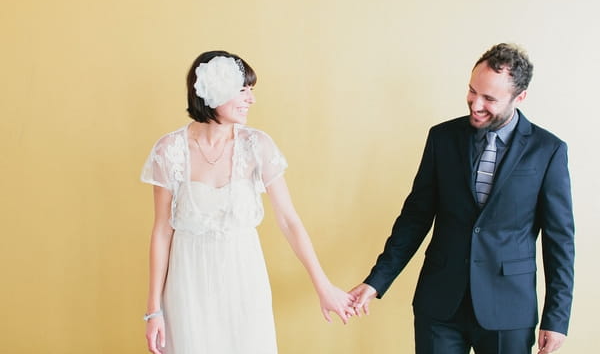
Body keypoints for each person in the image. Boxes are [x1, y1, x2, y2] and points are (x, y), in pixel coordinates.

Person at [350, 43, 574, 354]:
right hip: (440, 306)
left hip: (508, 310)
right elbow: (415, 217)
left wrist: (557, 318)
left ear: (519, 97)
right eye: (472, 91)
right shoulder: (442, 138)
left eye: (490, 99)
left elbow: (559, 241)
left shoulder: (548, 151)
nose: (476, 104)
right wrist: (376, 281)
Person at [141, 51, 355, 354]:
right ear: (213, 89)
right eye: (243, 90)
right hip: (188, 282)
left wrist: (323, 286)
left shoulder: (257, 146)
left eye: (251, 90)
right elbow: (162, 231)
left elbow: (289, 220)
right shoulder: (171, 150)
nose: (251, 100)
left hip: (244, 279)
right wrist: (154, 311)